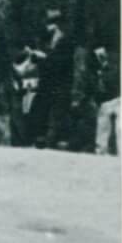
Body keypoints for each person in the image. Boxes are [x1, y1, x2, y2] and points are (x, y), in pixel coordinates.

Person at [37, 9, 75, 149]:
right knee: (44, 109)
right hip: (47, 82)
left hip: (61, 83)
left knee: (60, 111)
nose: (47, 26)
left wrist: (45, 58)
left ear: (57, 24)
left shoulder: (66, 40)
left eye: (50, 23)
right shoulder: (46, 39)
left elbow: (62, 62)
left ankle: (59, 141)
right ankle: (43, 140)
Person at [91, 45, 120, 156]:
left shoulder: (112, 65)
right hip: (107, 99)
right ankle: (102, 150)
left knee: (119, 127)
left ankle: (107, 150)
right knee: (105, 125)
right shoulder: (101, 67)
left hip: (114, 97)